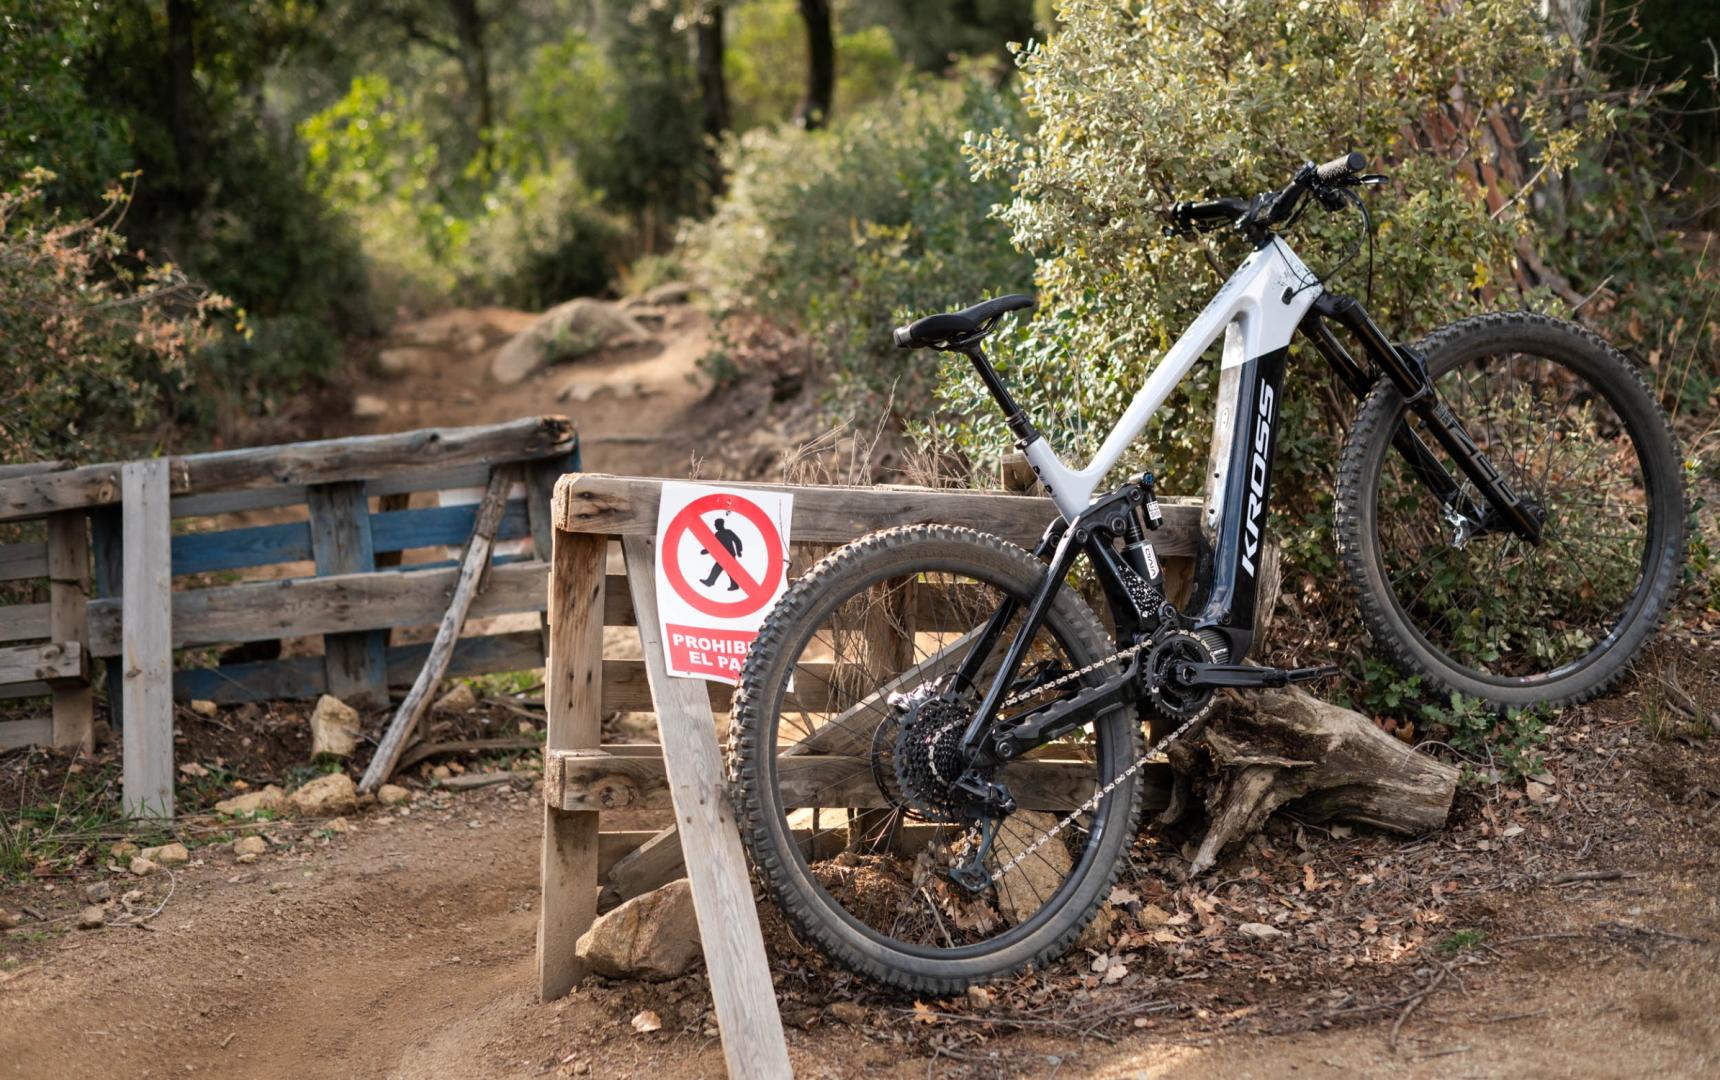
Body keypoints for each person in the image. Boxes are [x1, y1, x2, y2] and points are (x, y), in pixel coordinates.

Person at [700, 516, 745, 591]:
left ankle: (710, 582)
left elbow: (737, 540)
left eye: (716, 524)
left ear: (720, 524)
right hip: (722, 555)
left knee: (721, 569)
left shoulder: (728, 532)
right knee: (728, 569)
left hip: (728, 554)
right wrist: (706, 551)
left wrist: (739, 550)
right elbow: (713, 545)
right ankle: (733, 585)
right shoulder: (717, 534)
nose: (715, 526)